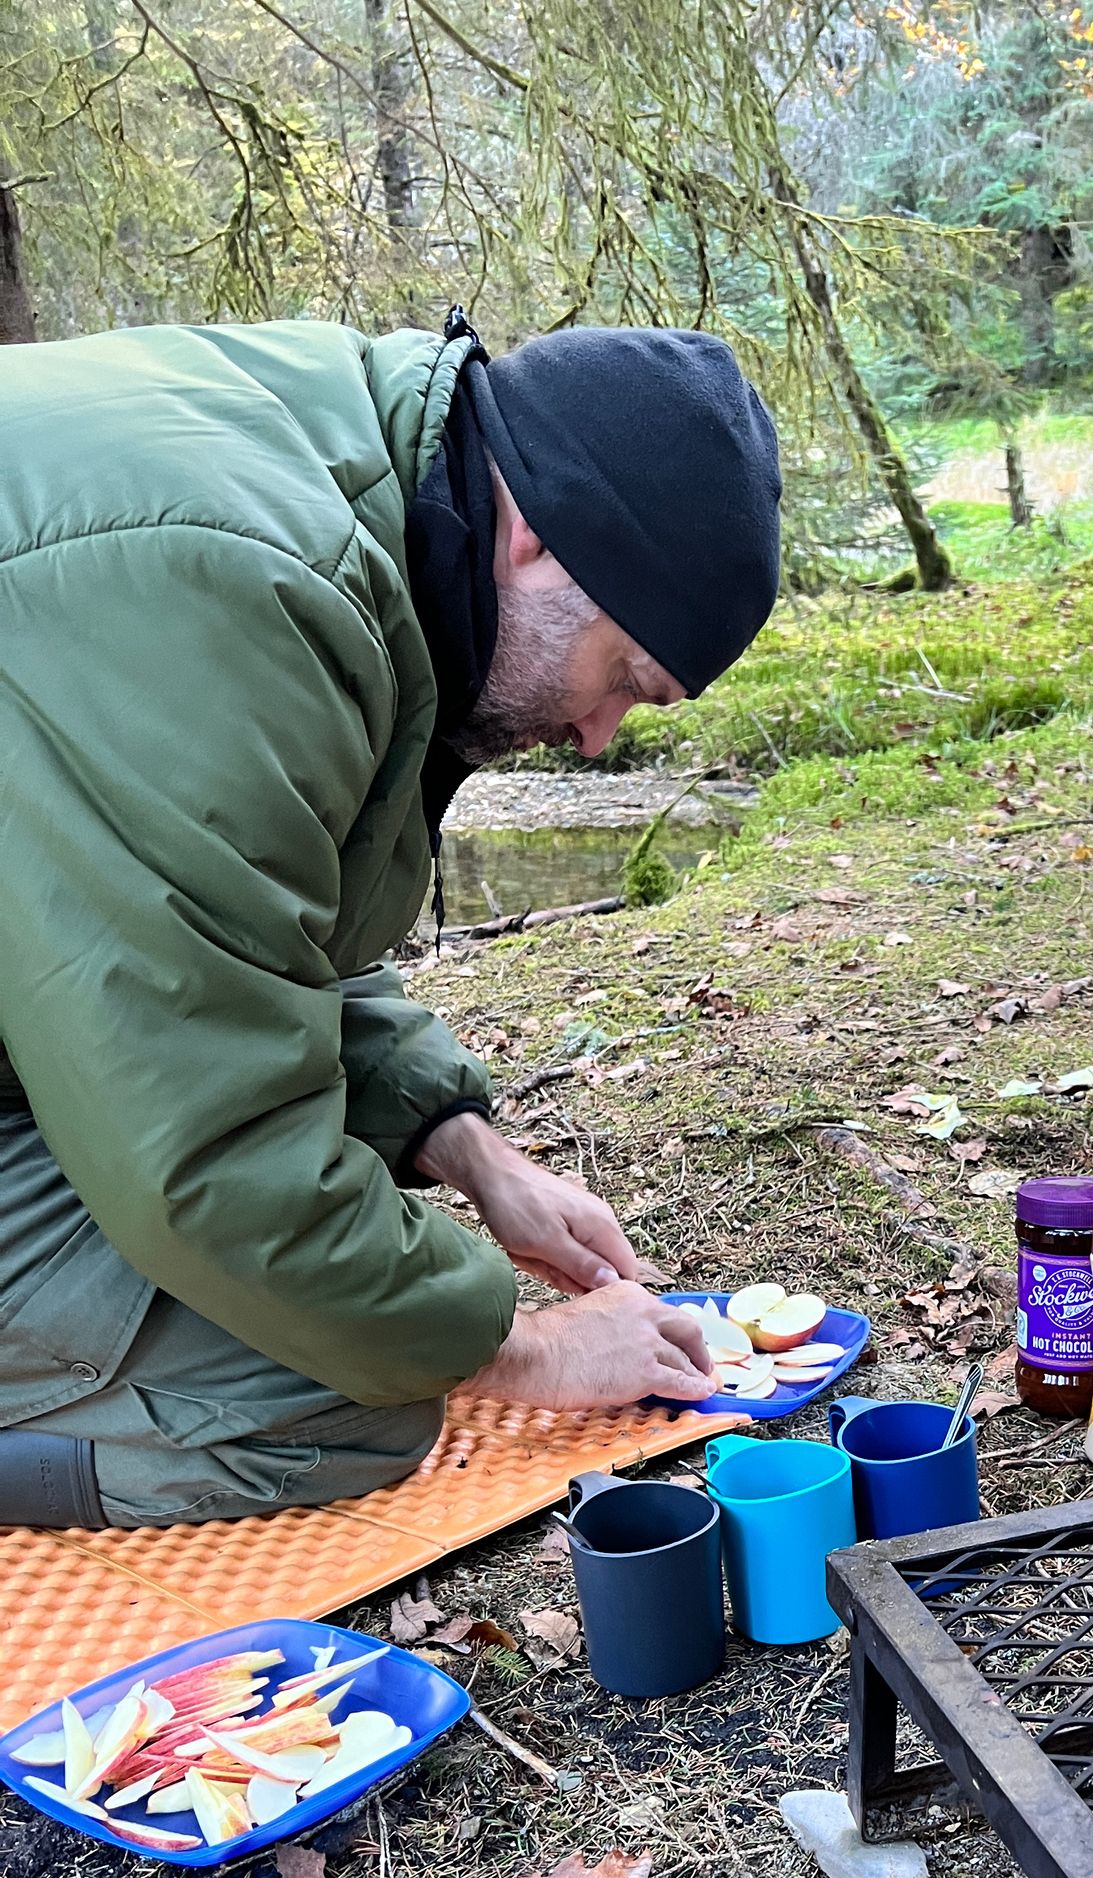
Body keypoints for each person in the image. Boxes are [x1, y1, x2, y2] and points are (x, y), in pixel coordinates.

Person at [0, 309, 783, 1529]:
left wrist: (468, 1151)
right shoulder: (227, 589)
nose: (596, 737)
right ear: (536, 534)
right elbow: (205, 1145)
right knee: (330, 1399)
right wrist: (519, 1351)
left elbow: (234, 936)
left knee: (336, 1276)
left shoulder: (340, 479)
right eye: (625, 677)